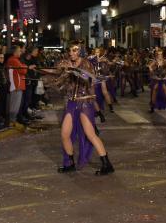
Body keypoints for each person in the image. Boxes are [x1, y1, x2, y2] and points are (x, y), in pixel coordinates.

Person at [44, 41, 114, 175]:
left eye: (74, 51)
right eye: (70, 51)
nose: (71, 53)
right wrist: (36, 69)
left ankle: (107, 164)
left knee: (90, 134)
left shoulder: (86, 63)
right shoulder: (66, 63)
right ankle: (70, 163)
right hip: (71, 102)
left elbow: (90, 80)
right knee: (64, 134)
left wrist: (75, 72)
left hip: (84, 103)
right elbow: (55, 74)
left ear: (80, 51)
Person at [6, 44, 28, 126]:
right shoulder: (13, 60)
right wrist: (25, 66)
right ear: (14, 52)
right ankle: (12, 122)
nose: (21, 52)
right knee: (14, 104)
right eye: (19, 51)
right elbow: (23, 70)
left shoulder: (15, 60)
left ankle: (13, 121)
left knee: (16, 104)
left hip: (17, 85)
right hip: (16, 85)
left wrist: (24, 66)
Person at [148, 47, 166, 113]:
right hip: (156, 78)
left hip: (163, 78)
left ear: (163, 55)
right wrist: (151, 68)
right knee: (155, 88)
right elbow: (149, 66)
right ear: (156, 55)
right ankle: (152, 107)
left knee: (165, 89)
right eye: (158, 54)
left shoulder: (165, 61)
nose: (160, 56)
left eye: (161, 54)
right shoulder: (155, 61)